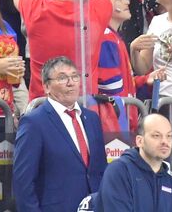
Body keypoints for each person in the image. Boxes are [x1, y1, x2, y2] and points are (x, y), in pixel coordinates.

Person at [12, 55, 107, 212]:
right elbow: (23, 182)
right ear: (46, 87)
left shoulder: (92, 119)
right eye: (62, 78)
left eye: (75, 76)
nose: (71, 83)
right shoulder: (34, 122)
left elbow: (101, 170)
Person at [98, 112, 172, 212]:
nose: (165, 141)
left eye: (169, 136)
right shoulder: (119, 171)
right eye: (156, 135)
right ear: (140, 141)